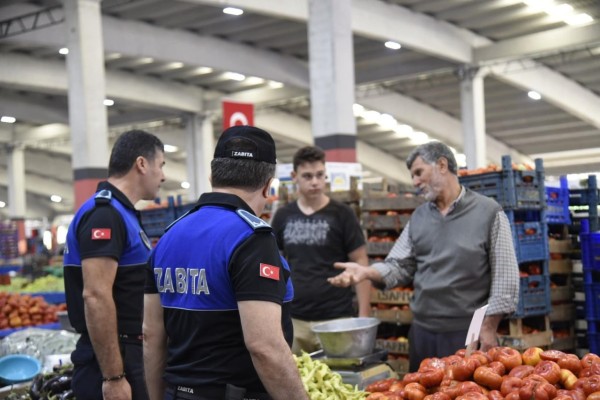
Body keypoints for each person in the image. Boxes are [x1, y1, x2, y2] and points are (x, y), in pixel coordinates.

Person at [143, 125, 308, 400]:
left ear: (212, 177)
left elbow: (151, 336)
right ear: (268, 186)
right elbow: (265, 346)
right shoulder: (251, 239)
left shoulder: (168, 237)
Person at [329, 141, 520, 372]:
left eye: (419, 172)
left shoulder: (488, 212)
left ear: (442, 165)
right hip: (422, 332)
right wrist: (367, 272)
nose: (415, 182)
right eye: (413, 176)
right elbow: (399, 265)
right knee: (421, 388)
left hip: (467, 331)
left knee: (464, 390)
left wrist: (489, 326)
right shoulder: (419, 217)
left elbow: (506, 277)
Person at [63, 129, 166, 400]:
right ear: (141, 164)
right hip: (114, 358)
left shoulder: (122, 213)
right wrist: (113, 377)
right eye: (161, 165)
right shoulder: (105, 215)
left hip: (128, 352)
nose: (163, 176)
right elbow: (95, 295)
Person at [270, 146, 371, 354]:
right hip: (294, 318)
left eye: (319, 175)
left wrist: (364, 315)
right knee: (296, 373)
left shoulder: (342, 214)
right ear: (294, 177)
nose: (315, 182)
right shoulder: (283, 216)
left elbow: (361, 262)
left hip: (337, 318)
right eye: (307, 176)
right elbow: (274, 263)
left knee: (340, 374)